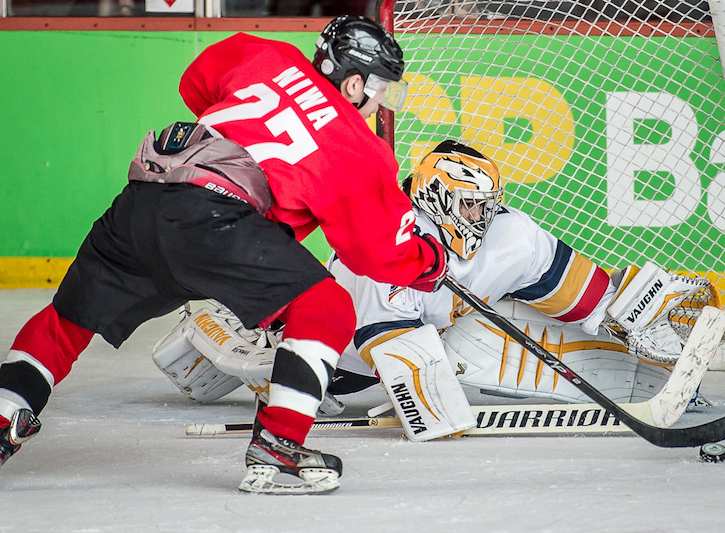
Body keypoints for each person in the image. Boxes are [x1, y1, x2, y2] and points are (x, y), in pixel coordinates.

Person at [0, 15, 448, 495]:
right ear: (355, 81)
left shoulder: (269, 55)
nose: (381, 101)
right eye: (381, 87)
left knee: (66, 321)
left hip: (144, 199)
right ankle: (279, 449)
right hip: (214, 220)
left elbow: (196, 82)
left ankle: (5, 412)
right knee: (327, 306)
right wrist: (430, 264)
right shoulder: (354, 143)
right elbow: (377, 253)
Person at [323, 140, 721, 438]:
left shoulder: (512, 234)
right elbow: (387, 342)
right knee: (450, 346)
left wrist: (631, 313)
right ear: (437, 198)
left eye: (488, 204)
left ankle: (646, 376)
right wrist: (430, 403)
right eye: (470, 205)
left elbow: (581, 293)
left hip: (432, 328)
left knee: (501, 318)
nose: (482, 217)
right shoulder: (387, 245)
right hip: (342, 358)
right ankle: (275, 377)